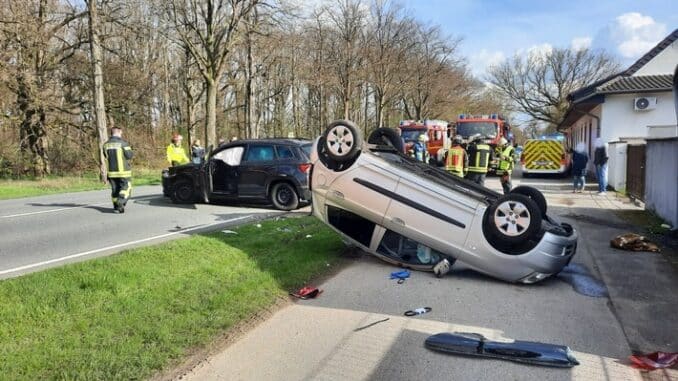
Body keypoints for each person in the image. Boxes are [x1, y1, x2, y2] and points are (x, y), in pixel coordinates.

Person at [103, 125, 133, 213]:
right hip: (123, 172)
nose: (122, 134)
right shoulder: (123, 143)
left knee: (115, 190)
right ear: (119, 132)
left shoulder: (105, 145)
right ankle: (121, 202)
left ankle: (116, 207)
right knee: (126, 188)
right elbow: (129, 155)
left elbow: (105, 156)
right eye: (121, 132)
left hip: (111, 172)